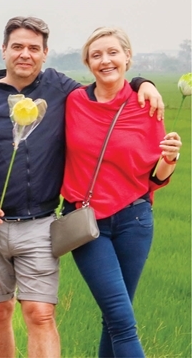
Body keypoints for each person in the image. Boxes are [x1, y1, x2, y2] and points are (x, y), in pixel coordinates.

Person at [0, 17, 165, 358]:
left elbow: (106, 81)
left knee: (40, 312)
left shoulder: (61, 89)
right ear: (3, 50)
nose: (25, 54)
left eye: (33, 48)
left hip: (40, 224)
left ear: (45, 53)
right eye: (17, 47)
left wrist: (143, 82)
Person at [60, 27, 181, 357]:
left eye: (113, 52)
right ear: (87, 63)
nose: (106, 60)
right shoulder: (74, 101)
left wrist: (170, 159)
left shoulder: (147, 105)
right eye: (96, 55)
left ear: (127, 57)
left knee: (114, 318)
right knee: (122, 321)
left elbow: (155, 178)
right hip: (87, 225)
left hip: (135, 221)